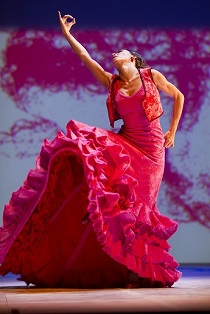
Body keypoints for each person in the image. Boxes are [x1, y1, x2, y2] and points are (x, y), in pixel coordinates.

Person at [0, 11, 184, 289]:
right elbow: (86, 58)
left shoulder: (151, 76)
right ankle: (125, 269)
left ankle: (138, 268)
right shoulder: (112, 83)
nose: (115, 54)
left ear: (132, 59)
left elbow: (178, 96)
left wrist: (172, 130)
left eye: (120, 52)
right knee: (93, 160)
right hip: (126, 144)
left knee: (141, 207)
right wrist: (67, 35)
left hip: (152, 150)